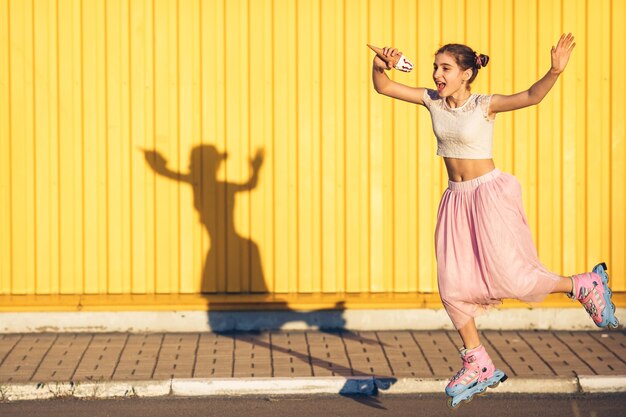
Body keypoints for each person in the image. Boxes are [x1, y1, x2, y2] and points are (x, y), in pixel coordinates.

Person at [371, 33, 619, 408]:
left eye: (446, 68)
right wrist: (380, 63)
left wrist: (554, 70)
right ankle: (478, 362)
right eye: (436, 67)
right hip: (455, 200)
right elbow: (384, 86)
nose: (438, 74)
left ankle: (583, 284)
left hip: (490, 195)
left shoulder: (485, 105)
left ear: (466, 74)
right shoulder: (431, 100)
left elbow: (532, 96)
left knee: (517, 277)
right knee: (452, 287)